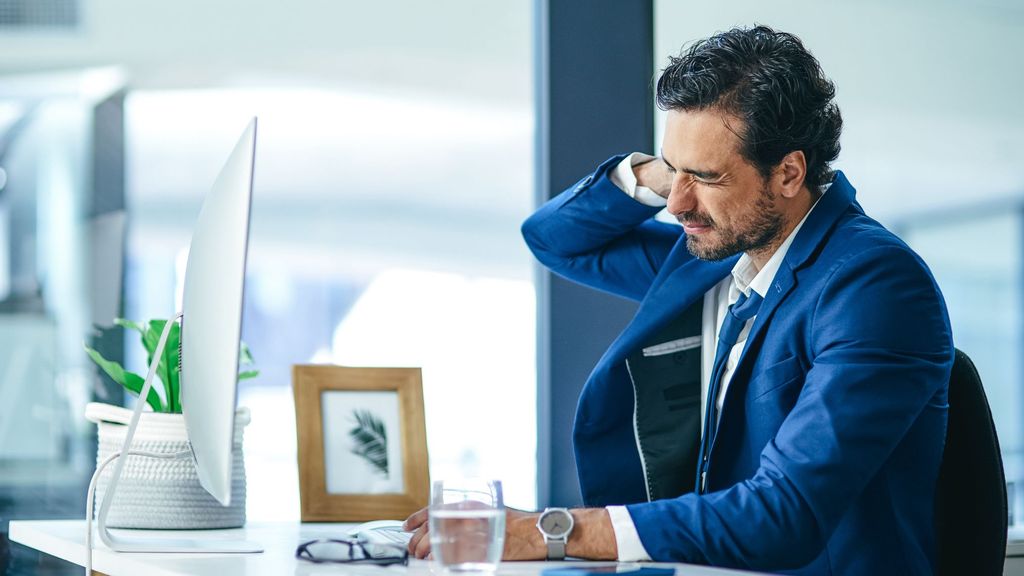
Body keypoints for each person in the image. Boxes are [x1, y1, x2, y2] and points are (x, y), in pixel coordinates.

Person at [405, 25, 953, 575]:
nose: (678, 204)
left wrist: (558, 529)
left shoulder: (873, 283)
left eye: (707, 176)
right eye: (675, 171)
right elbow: (553, 240)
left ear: (789, 172)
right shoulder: (712, 255)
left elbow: (785, 513)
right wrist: (661, 172)